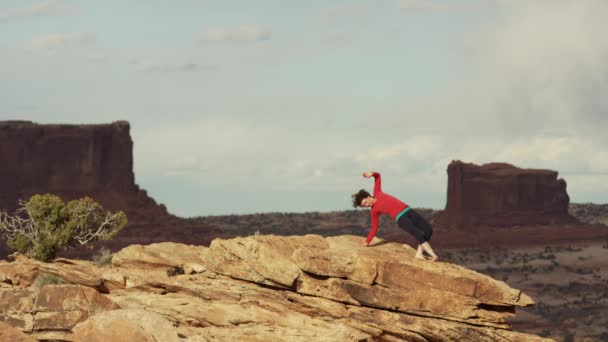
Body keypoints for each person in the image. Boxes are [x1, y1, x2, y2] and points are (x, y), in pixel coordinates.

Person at [352, 171, 439, 261]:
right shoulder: (374, 211)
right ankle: (433, 255)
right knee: (418, 234)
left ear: (368, 196)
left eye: (365, 202)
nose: (366, 205)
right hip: (401, 218)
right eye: (364, 205)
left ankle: (419, 254)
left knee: (428, 230)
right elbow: (374, 228)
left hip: (408, 210)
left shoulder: (377, 192)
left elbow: (378, 176)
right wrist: (367, 242)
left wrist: (372, 173)